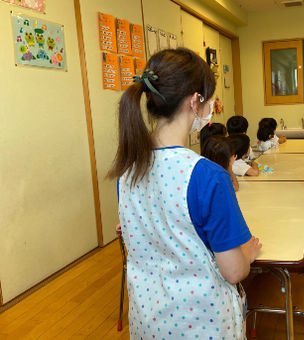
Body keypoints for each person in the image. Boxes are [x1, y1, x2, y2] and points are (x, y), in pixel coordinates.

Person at [108, 48, 261, 339]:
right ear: (194, 101)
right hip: (202, 322)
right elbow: (234, 272)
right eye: (209, 100)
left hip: (148, 321)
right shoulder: (207, 176)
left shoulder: (127, 171)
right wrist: (248, 255)